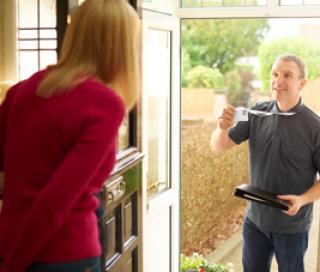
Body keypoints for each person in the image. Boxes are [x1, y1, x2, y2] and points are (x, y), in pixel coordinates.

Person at [0, 0, 140, 271]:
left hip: (10, 244)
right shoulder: (104, 102)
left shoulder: (22, 90)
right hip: (64, 256)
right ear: (122, 47)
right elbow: (56, 200)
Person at [210, 54, 320, 272]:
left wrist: (302, 199)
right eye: (275, 74)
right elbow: (219, 146)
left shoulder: (315, 126)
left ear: (302, 83)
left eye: (287, 75)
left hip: (292, 228)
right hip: (255, 222)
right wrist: (221, 128)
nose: (278, 81)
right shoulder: (256, 112)